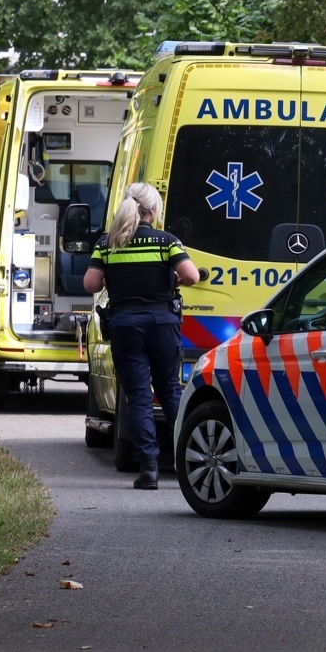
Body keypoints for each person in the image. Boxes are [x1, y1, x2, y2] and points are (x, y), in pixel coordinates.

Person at [84, 183, 200, 489]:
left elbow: (91, 284)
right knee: (170, 391)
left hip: (125, 325)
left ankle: (148, 469)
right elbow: (192, 276)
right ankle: (188, 462)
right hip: (162, 324)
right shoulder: (167, 241)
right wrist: (172, 279)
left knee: (138, 396)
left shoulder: (108, 243)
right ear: (153, 210)